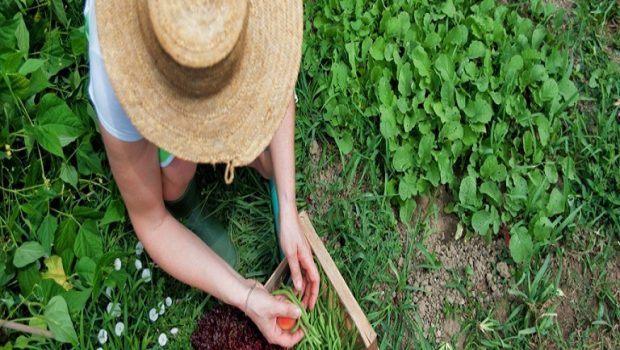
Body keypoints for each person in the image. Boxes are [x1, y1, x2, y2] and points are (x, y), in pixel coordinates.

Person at [85, 0, 319, 347]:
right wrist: (244, 295)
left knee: (270, 158)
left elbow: (277, 75)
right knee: (177, 173)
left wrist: (288, 205)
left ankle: (228, 146)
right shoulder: (118, 78)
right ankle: (187, 201)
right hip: (149, 89)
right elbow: (151, 220)